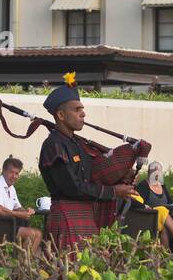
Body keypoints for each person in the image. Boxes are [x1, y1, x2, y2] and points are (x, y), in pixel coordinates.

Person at [38, 76, 136, 250]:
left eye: (82, 109)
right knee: (67, 272)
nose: (83, 113)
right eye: (77, 110)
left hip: (87, 216)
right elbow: (73, 188)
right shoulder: (54, 146)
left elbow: (93, 177)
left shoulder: (79, 145)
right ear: (61, 115)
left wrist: (120, 176)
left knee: (90, 271)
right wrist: (114, 191)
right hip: (66, 214)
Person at [0, 157, 43, 252]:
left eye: (17, 173)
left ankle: (26, 263)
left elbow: (17, 207)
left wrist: (27, 212)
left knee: (38, 234)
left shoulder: (11, 188)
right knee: (32, 234)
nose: (14, 176)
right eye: (11, 172)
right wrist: (21, 214)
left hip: (7, 224)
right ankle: (24, 263)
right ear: (4, 171)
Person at [129, 160, 173, 248]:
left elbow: (170, 202)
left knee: (167, 225)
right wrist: (144, 206)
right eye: (154, 171)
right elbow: (136, 202)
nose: (156, 173)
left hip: (164, 218)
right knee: (162, 211)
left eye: (159, 171)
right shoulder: (143, 185)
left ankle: (166, 253)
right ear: (149, 172)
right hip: (149, 218)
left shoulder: (161, 185)